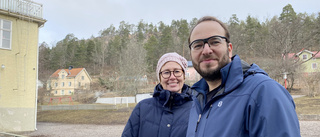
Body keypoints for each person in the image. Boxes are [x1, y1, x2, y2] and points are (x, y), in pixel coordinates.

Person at [186, 16, 301, 137]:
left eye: (215, 42)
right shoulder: (196, 99)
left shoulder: (263, 91)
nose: (206, 50)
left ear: (229, 49)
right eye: (197, 45)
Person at [122, 52, 193, 137]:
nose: (172, 77)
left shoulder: (197, 108)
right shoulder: (142, 108)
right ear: (159, 78)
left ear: (184, 75)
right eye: (166, 72)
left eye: (177, 71)